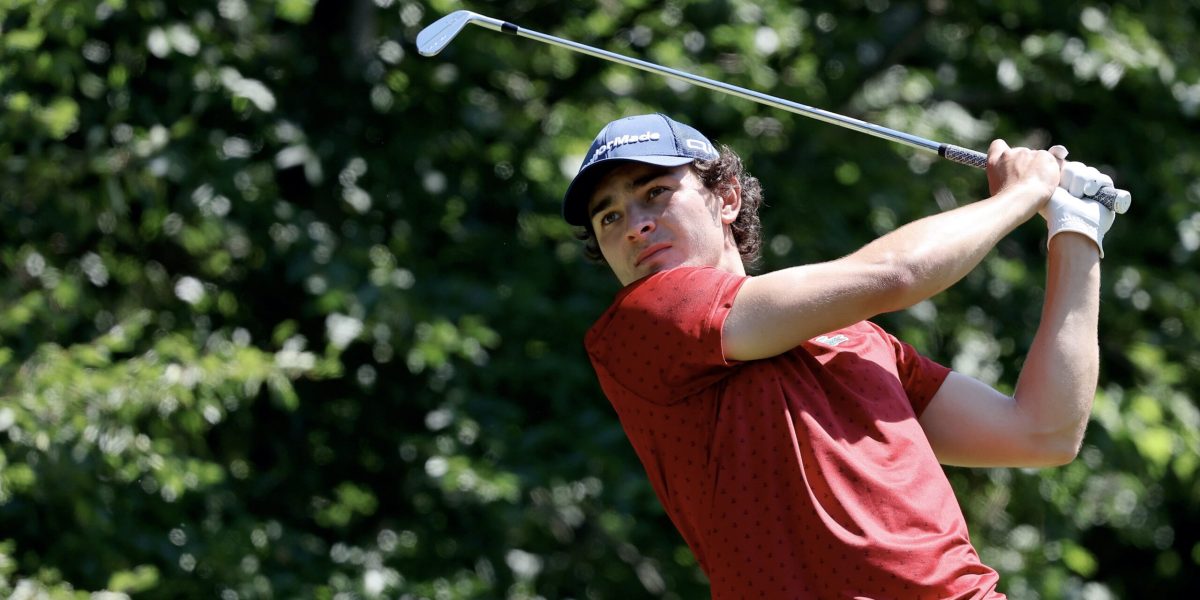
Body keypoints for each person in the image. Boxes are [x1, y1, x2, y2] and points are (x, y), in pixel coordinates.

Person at [561, 113, 1120, 598]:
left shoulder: (859, 339)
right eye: (608, 217)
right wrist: (1022, 195)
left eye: (654, 191)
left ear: (726, 197)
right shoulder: (644, 321)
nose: (634, 226)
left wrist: (1074, 229)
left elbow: (1042, 432)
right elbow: (894, 274)